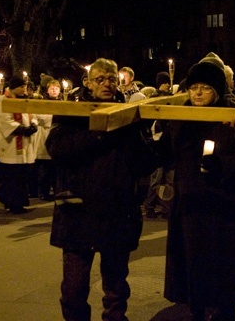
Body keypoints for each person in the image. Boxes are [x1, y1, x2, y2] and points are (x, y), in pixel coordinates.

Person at [46, 58, 157, 321]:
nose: (107, 84)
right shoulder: (72, 112)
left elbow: (145, 161)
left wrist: (136, 135)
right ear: (88, 82)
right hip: (78, 212)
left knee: (116, 289)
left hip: (117, 212)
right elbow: (58, 150)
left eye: (112, 79)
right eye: (100, 79)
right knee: (73, 289)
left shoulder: (130, 115)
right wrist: (98, 133)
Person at [161, 60, 235, 321]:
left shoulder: (230, 117)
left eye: (205, 88)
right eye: (194, 88)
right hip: (190, 208)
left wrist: (221, 165)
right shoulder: (180, 120)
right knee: (194, 278)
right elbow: (164, 154)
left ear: (216, 91)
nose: (198, 93)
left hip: (223, 211)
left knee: (224, 282)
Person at [0, 75, 39, 214]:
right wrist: (21, 129)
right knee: (13, 175)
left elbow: (32, 114)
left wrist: (33, 125)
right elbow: (3, 120)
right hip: (11, 143)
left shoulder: (24, 100)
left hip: (24, 143)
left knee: (22, 175)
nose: (24, 89)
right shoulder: (3, 101)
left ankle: (15, 201)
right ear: (14, 87)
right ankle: (13, 203)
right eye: (22, 86)